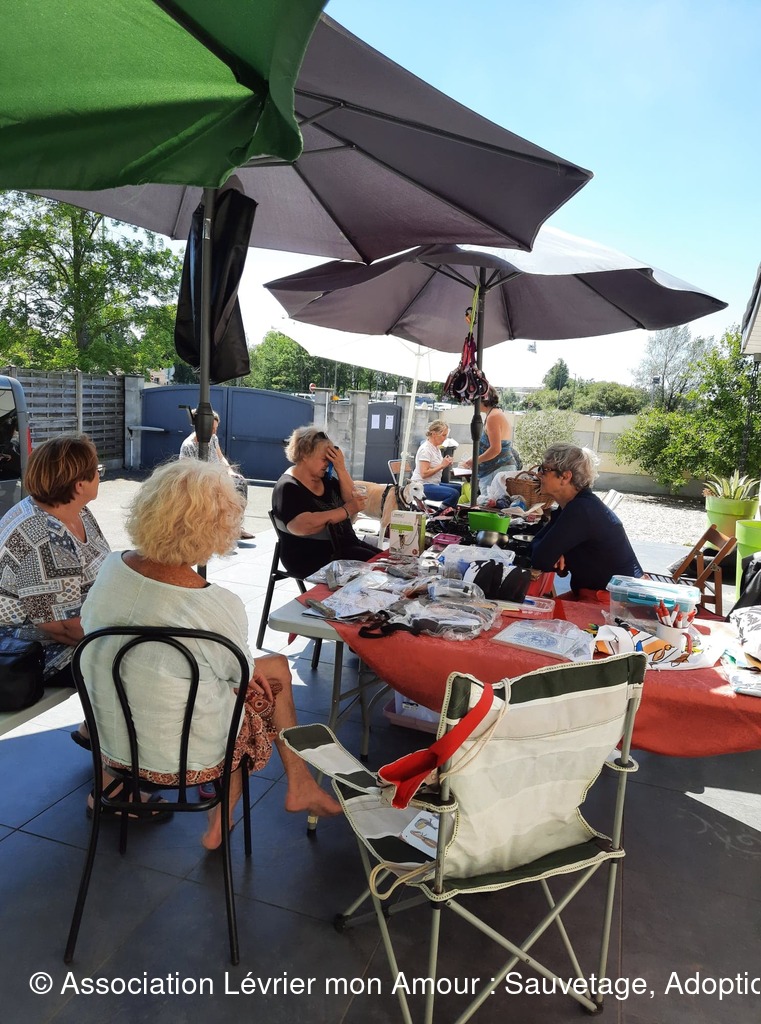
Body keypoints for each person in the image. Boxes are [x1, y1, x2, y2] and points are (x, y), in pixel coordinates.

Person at [79, 460, 341, 846]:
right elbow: (242, 679)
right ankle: (252, 807)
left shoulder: (110, 569)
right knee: (262, 690)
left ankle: (292, 789)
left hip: (112, 743)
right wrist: (244, 676)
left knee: (265, 671)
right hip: (183, 756)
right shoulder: (214, 605)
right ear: (218, 528)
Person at [0, 434, 110, 688]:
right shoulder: (46, 537)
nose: (99, 476)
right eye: (96, 471)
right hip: (34, 651)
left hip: (85, 624)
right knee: (141, 662)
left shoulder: (75, 509)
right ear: (79, 485)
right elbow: (64, 628)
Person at [530, 443, 643, 597]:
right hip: (601, 593)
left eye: (544, 469)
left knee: (528, 607)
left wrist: (555, 552)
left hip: (612, 600)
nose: (539, 474)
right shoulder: (575, 505)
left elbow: (539, 559)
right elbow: (537, 546)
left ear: (565, 476)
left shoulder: (581, 509)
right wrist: (556, 552)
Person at [272, 426, 377, 578]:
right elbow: (302, 526)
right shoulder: (288, 487)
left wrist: (341, 468)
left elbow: (352, 504)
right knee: (381, 569)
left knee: (389, 561)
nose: (328, 464)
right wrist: (345, 510)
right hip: (310, 557)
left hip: (344, 547)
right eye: (324, 459)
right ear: (305, 455)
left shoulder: (326, 480)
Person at [179, 408, 253, 540]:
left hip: (218, 478)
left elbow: (221, 457)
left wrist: (230, 471)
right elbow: (186, 474)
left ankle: (235, 526)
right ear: (201, 426)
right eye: (211, 428)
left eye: (216, 428)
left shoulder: (213, 438)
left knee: (240, 483)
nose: (214, 432)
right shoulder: (188, 445)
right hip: (201, 483)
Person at [460, 386, 519, 496]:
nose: (473, 404)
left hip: (496, 470)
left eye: (474, 401)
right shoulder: (495, 414)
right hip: (497, 470)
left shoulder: (493, 417)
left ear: (483, 399)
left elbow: (495, 449)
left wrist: (475, 460)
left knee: (490, 503)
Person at [411, 420, 461, 506]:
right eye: (443, 435)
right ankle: (441, 512)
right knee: (453, 493)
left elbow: (436, 466)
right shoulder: (426, 450)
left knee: (460, 488)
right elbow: (424, 474)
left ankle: (450, 510)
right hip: (422, 485)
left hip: (433, 483)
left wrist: (445, 462)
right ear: (434, 434)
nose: (445, 438)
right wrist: (442, 465)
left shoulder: (436, 448)